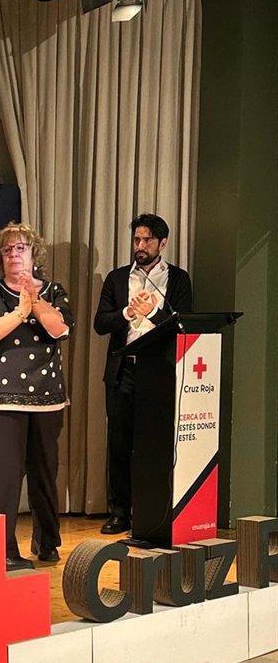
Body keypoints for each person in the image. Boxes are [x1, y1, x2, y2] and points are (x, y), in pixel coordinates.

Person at [0, 222, 72, 571]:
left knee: (44, 472)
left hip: (46, 397)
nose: (14, 254)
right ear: (0, 258)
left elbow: (59, 328)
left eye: (20, 248)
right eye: (7, 250)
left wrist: (35, 299)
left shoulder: (54, 291)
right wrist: (19, 312)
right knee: (1, 478)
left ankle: (47, 540)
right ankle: (2, 549)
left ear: (33, 253)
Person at [93, 213, 193, 534]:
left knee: (154, 444)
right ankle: (120, 512)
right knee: (120, 444)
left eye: (147, 240)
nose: (140, 245)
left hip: (160, 372)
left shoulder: (178, 279)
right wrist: (128, 311)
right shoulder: (117, 278)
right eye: (136, 239)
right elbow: (100, 324)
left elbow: (183, 325)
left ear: (162, 243)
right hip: (123, 371)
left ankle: (151, 512)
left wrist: (153, 311)